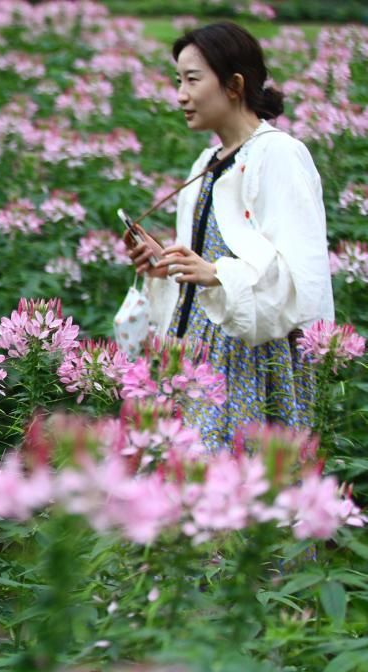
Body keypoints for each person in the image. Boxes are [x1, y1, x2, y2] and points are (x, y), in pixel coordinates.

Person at [125, 21, 334, 450]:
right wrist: (165, 263)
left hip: (247, 356)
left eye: (192, 80)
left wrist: (219, 274)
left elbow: (301, 275)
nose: (180, 94)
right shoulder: (207, 161)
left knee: (235, 485)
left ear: (234, 84)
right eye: (178, 80)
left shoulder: (278, 154)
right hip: (194, 349)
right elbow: (204, 262)